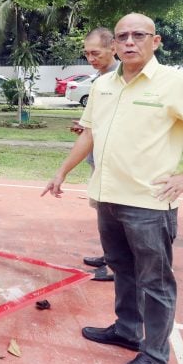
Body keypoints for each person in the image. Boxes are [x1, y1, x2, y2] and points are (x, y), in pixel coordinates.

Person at [42, 13, 183, 364]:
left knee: (155, 284)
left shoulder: (174, 84)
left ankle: (155, 358)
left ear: (155, 41)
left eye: (138, 35)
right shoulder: (104, 86)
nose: (129, 42)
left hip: (150, 203)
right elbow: (89, 133)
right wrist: (62, 171)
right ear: (114, 45)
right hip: (107, 197)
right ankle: (127, 330)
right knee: (121, 269)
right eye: (123, 36)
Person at [69, 27, 119, 282]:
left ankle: (116, 265)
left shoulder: (118, 78)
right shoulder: (101, 79)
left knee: (114, 216)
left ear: (113, 48)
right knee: (104, 213)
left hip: (114, 164)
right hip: (98, 159)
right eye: (87, 54)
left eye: (96, 53)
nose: (91, 58)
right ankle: (110, 256)